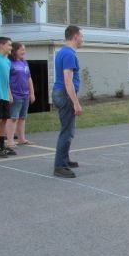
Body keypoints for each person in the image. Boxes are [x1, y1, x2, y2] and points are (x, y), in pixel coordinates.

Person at [52, 25, 84, 178]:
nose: (82, 39)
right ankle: (60, 166)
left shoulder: (63, 52)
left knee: (67, 129)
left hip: (61, 93)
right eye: (82, 36)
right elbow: (68, 81)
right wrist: (76, 103)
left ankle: (64, 159)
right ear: (75, 36)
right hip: (65, 95)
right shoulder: (69, 54)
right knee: (67, 132)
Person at [5, 42, 35, 149]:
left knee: (22, 118)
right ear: (15, 50)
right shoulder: (9, 63)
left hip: (25, 94)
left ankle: (21, 139)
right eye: (21, 49)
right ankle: (10, 141)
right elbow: (5, 80)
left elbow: (29, 78)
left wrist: (32, 93)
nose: (24, 51)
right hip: (15, 94)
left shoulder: (24, 63)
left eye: (24, 49)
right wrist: (9, 94)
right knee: (13, 118)